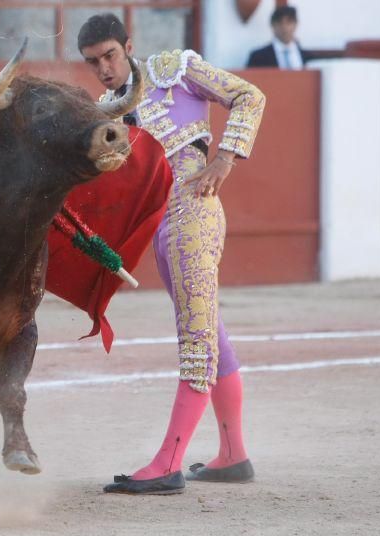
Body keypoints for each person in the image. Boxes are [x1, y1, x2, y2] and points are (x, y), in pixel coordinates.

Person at [77, 13, 266, 495]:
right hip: (160, 230)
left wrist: (225, 157)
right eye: (92, 62)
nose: (103, 68)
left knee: (196, 341)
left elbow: (249, 95)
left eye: (110, 55)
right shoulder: (105, 114)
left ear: (128, 46)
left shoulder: (173, 69)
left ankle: (167, 463)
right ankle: (233, 453)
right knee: (210, 332)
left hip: (194, 212)